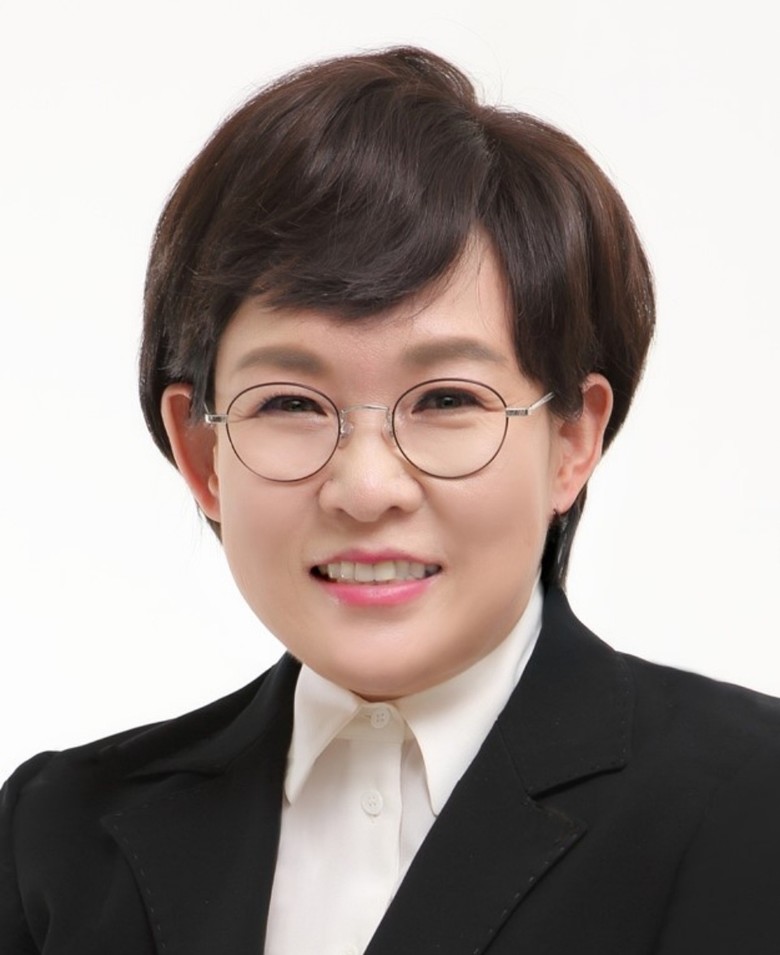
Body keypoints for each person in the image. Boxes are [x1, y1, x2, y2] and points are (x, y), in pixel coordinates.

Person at [2, 46, 779, 955]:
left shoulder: (752, 806)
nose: (367, 489)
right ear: (202, 452)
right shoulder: (53, 838)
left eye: (447, 399)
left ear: (573, 438)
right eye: (290, 403)